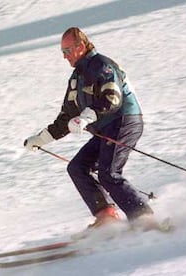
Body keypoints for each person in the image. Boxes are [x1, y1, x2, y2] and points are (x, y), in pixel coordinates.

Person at [24, 27, 153, 230]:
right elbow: (67, 115)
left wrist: (86, 117)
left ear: (81, 46)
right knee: (77, 167)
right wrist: (41, 139)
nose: (65, 57)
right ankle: (106, 215)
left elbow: (112, 98)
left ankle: (144, 218)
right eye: (62, 52)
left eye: (67, 51)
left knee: (108, 173)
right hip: (105, 129)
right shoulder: (77, 78)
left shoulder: (102, 65)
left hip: (124, 121)